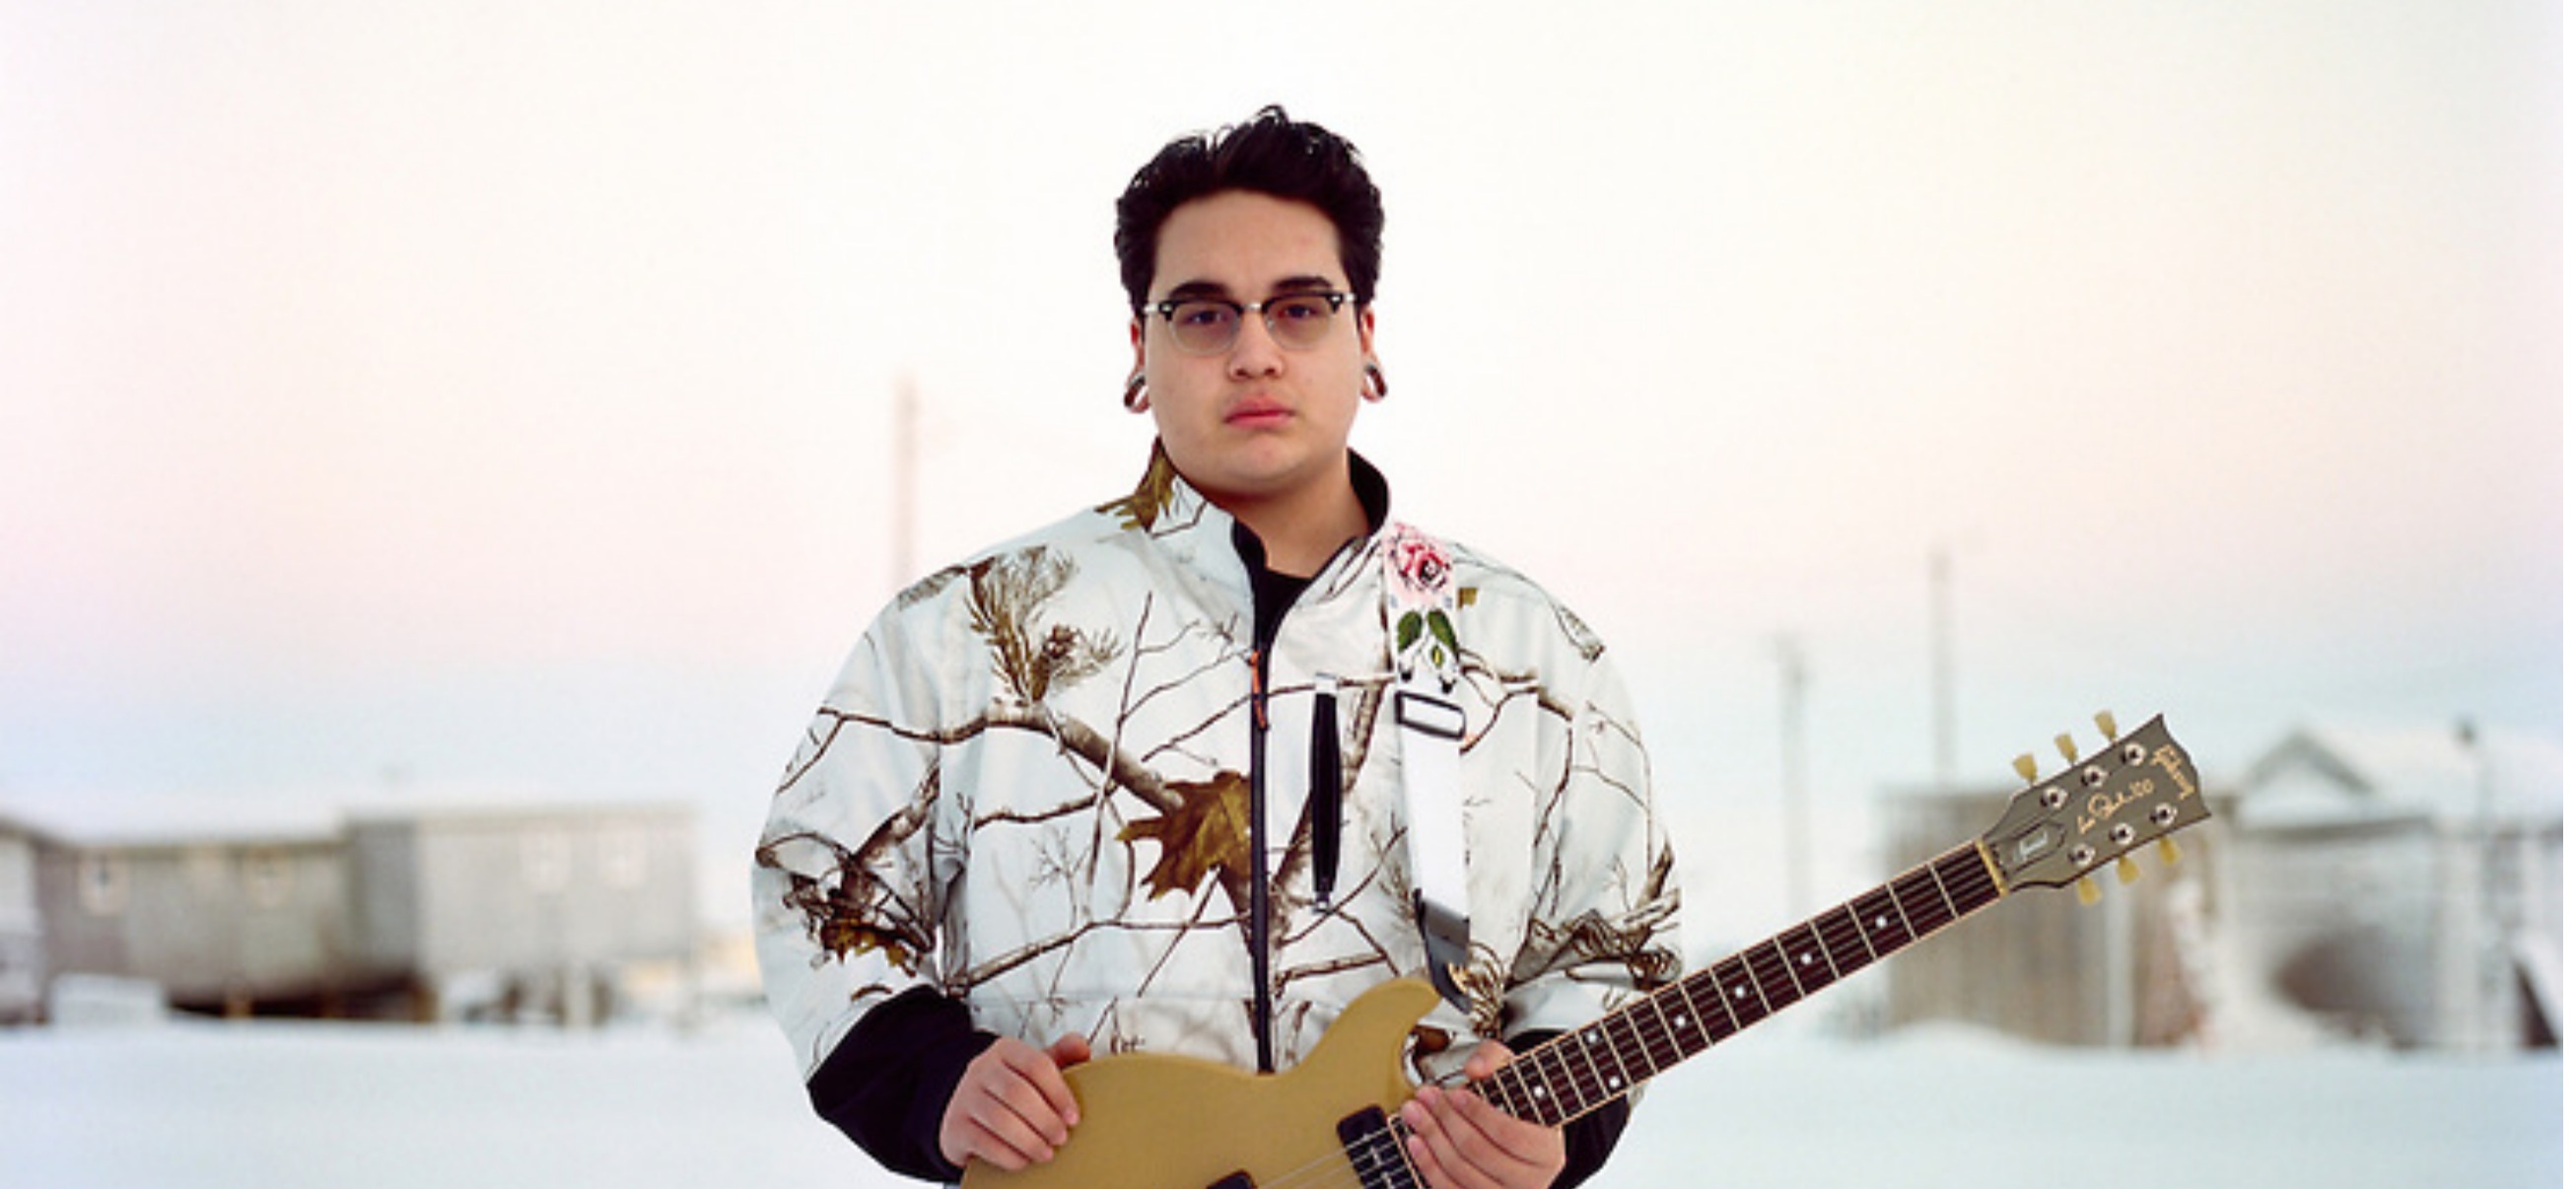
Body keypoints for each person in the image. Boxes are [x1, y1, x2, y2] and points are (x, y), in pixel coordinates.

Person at [752, 106, 1681, 1189]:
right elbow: (818, 889)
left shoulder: (1528, 653)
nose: (1252, 352)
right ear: (1139, 351)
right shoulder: (962, 631)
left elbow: (1618, 951)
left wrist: (1546, 1121)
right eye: (1201, 314)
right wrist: (932, 1081)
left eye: (1299, 308)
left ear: (1366, 336)